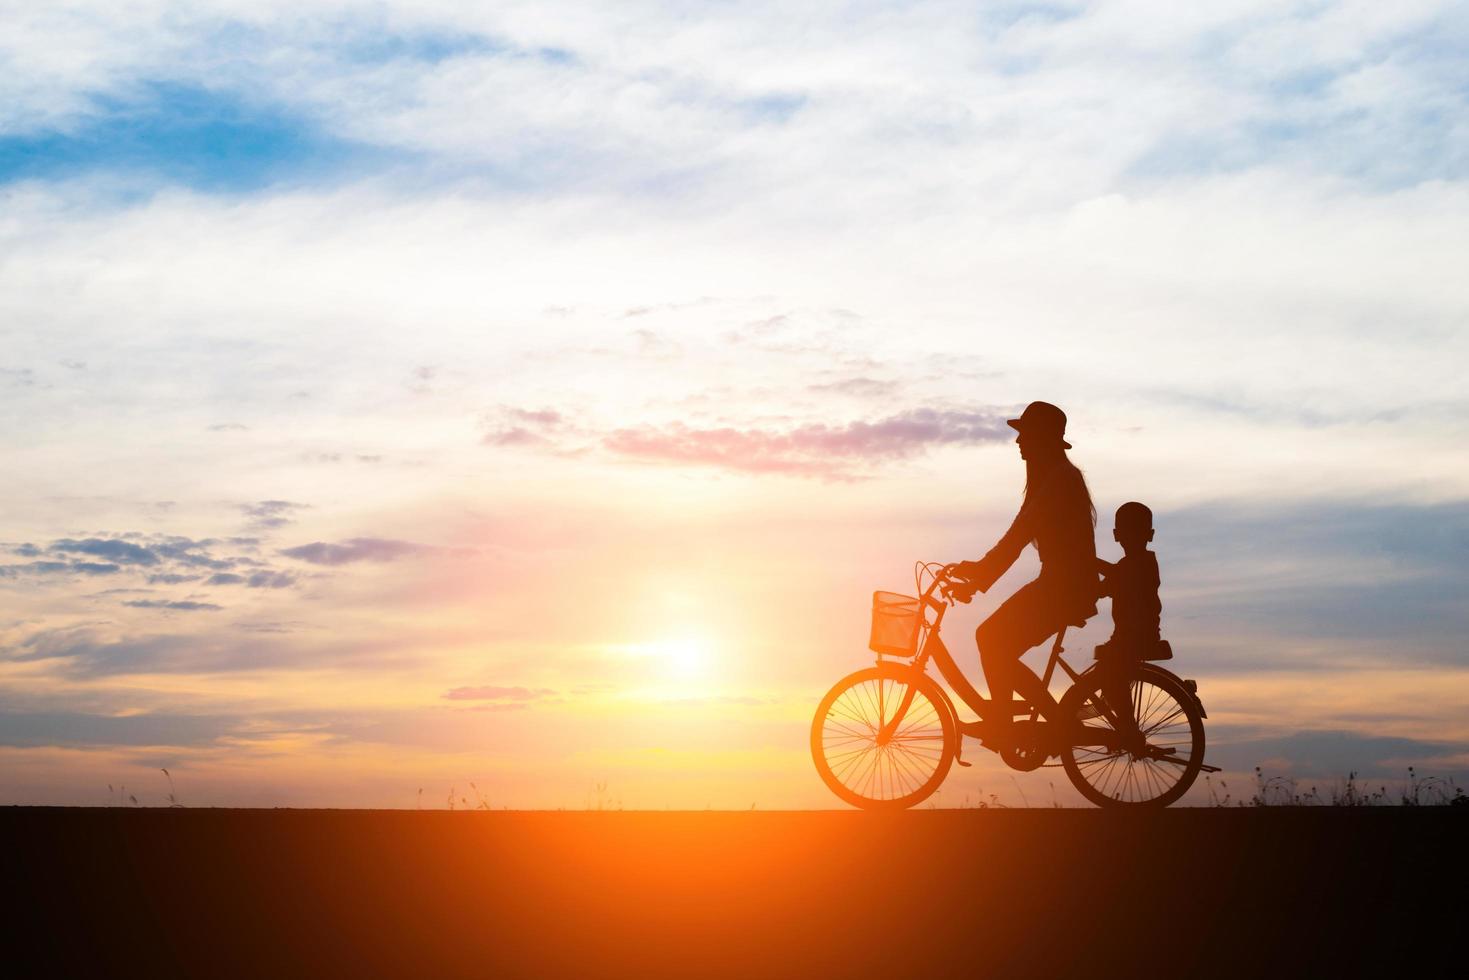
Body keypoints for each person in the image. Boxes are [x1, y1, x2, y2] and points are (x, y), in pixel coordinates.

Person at [950, 401, 1098, 742]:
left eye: (1024, 435)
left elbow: (1018, 536)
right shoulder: (1053, 478)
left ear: (1041, 438)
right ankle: (1044, 723)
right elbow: (1019, 534)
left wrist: (980, 574)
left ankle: (1011, 724)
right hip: (1063, 583)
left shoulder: (1058, 481)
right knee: (994, 641)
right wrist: (978, 576)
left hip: (1064, 586)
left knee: (990, 639)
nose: (1018, 442)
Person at [1095, 502, 1167, 736]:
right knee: (1107, 673)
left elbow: (1116, 579)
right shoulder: (1133, 564)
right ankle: (1121, 718)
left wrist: (1088, 562)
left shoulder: (1142, 565)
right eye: (1128, 531)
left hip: (1136, 637)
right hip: (1129, 636)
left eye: (1135, 532)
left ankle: (1127, 725)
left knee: (1110, 675)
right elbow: (1110, 582)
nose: (1132, 538)